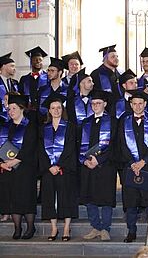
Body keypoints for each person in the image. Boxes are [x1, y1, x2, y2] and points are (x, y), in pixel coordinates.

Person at [118, 89, 148, 243]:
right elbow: (121, 144)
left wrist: (144, 161)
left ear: (145, 104)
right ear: (130, 104)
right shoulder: (124, 121)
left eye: (140, 103)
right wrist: (132, 163)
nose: (137, 106)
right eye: (134, 104)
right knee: (131, 201)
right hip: (130, 167)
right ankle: (131, 231)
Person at [79, 90, 118, 242]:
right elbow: (79, 145)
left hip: (106, 166)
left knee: (106, 197)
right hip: (88, 166)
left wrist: (99, 160)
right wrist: (84, 160)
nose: (95, 105)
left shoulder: (113, 121)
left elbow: (115, 145)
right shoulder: (85, 122)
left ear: (105, 104)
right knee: (89, 197)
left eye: (99, 103)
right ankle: (95, 226)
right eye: (93, 103)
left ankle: (105, 229)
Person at [38, 93, 78, 241]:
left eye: (59, 108)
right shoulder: (43, 128)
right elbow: (40, 150)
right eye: (53, 108)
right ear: (49, 110)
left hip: (65, 169)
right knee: (49, 197)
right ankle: (54, 227)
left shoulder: (70, 127)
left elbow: (70, 148)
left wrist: (59, 165)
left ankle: (67, 227)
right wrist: (49, 166)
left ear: (63, 109)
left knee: (66, 196)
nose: (56, 110)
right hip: (48, 169)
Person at [0, 93, 38, 240]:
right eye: (9, 109)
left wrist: (15, 161)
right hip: (9, 169)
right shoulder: (5, 127)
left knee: (26, 197)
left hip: (26, 167)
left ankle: (30, 227)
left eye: (14, 108)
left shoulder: (30, 126)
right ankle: (17, 228)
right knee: (13, 197)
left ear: (22, 109)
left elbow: (30, 147)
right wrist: (2, 163)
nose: (11, 112)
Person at [90, 45, 122, 112]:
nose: (116, 59)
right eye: (113, 57)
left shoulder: (120, 74)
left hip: (120, 111)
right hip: (105, 111)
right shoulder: (96, 74)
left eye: (117, 56)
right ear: (105, 58)